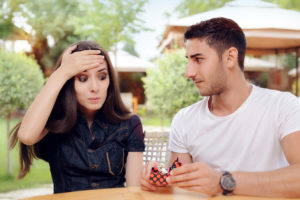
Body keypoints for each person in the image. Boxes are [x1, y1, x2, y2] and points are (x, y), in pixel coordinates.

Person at [140, 17, 300, 197]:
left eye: (198, 59)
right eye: (189, 60)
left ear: (230, 57)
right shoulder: (185, 119)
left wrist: (223, 181)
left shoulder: (283, 106)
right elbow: (179, 187)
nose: (189, 72)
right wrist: (161, 182)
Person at [10, 41, 145, 193]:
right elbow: (26, 136)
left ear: (110, 80)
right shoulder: (55, 121)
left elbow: (134, 191)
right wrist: (62, 73)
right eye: (82, 78)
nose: (95, 88)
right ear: (68, 82)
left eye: (102, 76)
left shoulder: (130, 124)